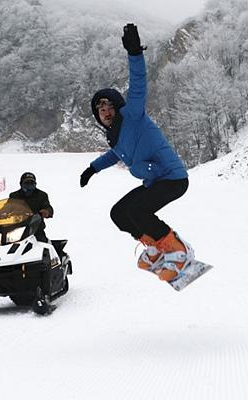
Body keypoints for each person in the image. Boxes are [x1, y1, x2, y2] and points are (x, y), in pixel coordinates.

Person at [79, 23, 193, 284]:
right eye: (100, 109)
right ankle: (153, 245)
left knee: (140, 211)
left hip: (173, 179)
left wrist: (134, 53)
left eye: (109, 106)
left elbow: (139, 84)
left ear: (118, 107)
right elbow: (114, 155)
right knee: (119, 213)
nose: (105, 111)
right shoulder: (115, 136)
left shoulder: (133, 116)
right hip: (155, 181)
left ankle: (178, 250)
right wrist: (92, 169)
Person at [9, 172, 53, 243]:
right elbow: (8, 207)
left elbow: (48, 207)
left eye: (32, 184)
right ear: (21, 184)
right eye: (26, 184)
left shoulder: (41, 195)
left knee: (43, 244)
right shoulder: (14, 196)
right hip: (17, 229)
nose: (29, 187)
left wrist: (46, 211)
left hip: (36, 229)